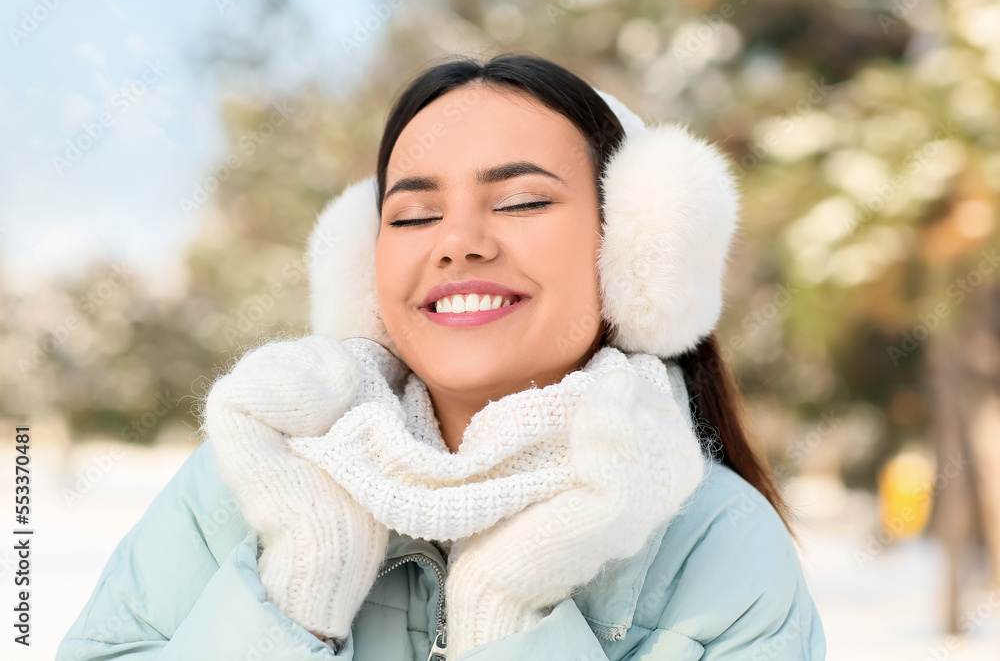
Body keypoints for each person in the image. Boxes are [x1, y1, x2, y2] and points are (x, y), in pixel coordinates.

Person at [56, 53, 827, 660]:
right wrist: (301, 587)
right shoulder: (251, 472)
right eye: (415, 213)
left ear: (634, 249)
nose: (458, 242)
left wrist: (504, 608)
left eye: (522, 200)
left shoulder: (720, 545)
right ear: (365, 266)